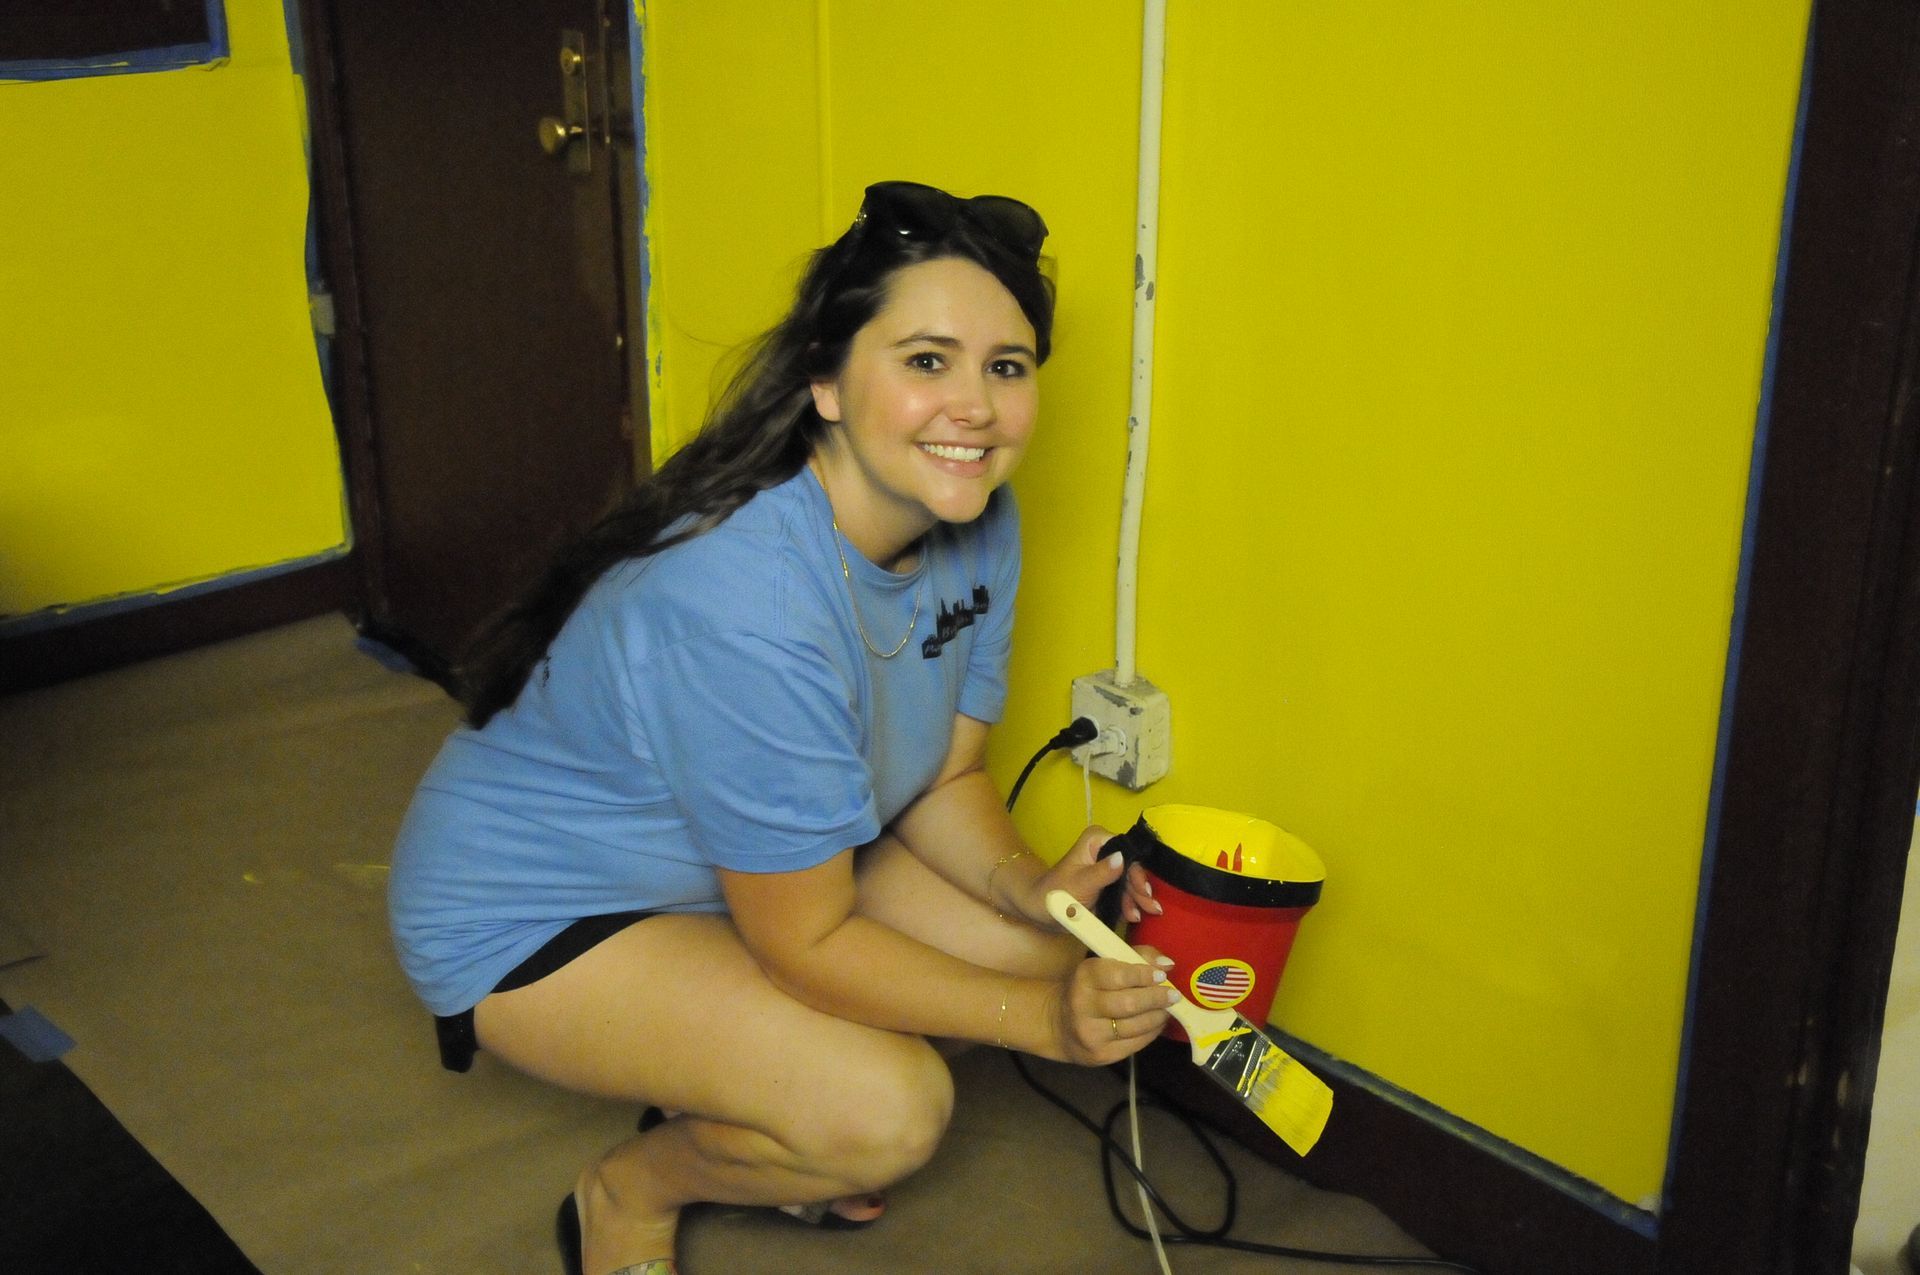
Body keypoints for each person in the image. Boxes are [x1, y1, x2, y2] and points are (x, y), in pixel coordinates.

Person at [386, 180, 1174, 1275]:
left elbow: (945, 781)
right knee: (888, 1112)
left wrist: (1029, 890)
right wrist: (1046, 1021)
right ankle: (630, 1191)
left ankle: (739, 1092)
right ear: (828, 383)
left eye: (1008, 366)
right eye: (926, 361)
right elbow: (807, 943)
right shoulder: (745, 598)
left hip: (753, 872)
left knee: (1034, 951)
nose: (977, 409)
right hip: (543, 910)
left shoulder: (980, 517)